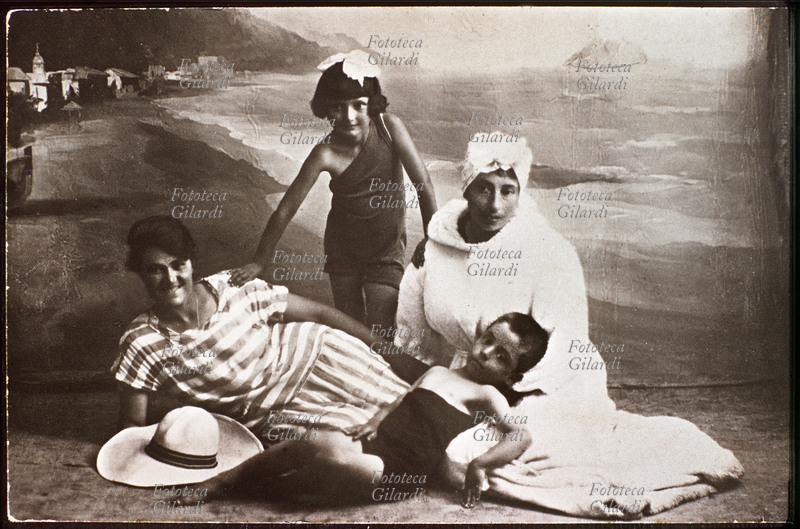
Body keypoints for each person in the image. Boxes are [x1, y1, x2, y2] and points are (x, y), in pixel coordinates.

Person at [183, 312, 547, 508]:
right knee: (316, 440)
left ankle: (258, 491)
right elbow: (401, 401)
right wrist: (375, 421)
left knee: (333, 461)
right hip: (377, 444)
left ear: (512, 376)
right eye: (488, 341)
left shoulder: (486, 394)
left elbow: (522, 434)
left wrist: (479, 465)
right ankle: (225, 480)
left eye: (502, 357)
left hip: (399, 472)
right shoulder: (437, 372)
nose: (485, 354)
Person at [113, 215, 411, 438]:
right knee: (376, 443)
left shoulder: (233, 286)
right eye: (155, 269)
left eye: (178, 265)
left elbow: (321, 314)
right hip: (275, 414)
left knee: (419, 409)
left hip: (325, 357)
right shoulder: (142, 342)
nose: (170, 279)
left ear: (191, 263)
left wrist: (392, 353)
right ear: (140, 273)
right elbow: (131, 426)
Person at [230, 50, 437, 331]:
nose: (349, 116)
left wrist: (431, 239)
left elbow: (423, 182)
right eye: (338, 107)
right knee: (350, 328)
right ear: (326, 108)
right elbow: (285, 209)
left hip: (385, 247)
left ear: (372, 104)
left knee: (382, 328)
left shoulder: (389, 128)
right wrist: (259, 261)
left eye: (359, 105)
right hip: (343, 247)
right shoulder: (324, 153)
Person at [394, 134, 609, 403]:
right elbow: (414, 340)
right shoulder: (436, 247)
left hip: (541, 391)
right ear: (466, 189)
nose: (495, 205)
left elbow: (565, 348)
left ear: (519, 194)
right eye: (484, 188)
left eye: (507, 191)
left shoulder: (550, 252)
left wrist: (509, 397)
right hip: (468, 383)